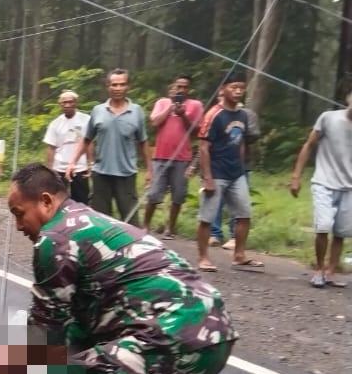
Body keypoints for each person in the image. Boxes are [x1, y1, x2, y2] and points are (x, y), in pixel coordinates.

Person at [5, 163, 236, 374]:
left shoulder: (54, 239)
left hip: (175, 333)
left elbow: (43, 337)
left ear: (45, 202)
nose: (18, 226)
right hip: (213, 333)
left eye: (19, 213)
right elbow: (75, 337)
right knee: (97, 373)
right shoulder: (90, 221)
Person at [195, 75, 262, 271]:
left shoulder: (242, 115)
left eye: (241, 87)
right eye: (234, 87)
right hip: (216, 172)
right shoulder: (214, 115)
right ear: (223, 89)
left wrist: (241, 166)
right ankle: (203, 257)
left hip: (236, 173)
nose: (238, 91)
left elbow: (240, 141)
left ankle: (239, 255)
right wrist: (207, 177)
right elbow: (204, 147)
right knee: (207, 217)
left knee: (244, 214)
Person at [66, 68, 150, 222]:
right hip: (101, 175)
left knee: (131, 221)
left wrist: (150, 170)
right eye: (114, 85)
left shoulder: (137, 111)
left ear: (128, 87)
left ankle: (129, 246)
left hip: (126, 175)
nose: (118, 88)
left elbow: (143, 142)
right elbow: (86, 139)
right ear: (108, 87)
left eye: (122, 84)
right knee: (100, 221)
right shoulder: (98, 111)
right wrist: (72, 162)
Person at [290, 91, 352, 288]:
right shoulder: (328, 118)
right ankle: (318, 269)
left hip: (348, 186)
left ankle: (331, 272)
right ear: (348, 99)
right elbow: (308, 145)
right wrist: (296, 176)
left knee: (341, 232)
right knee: (323, 226)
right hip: (323, 181)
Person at [143, 74, 203, 238]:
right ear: (173, 87)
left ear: (189, 89)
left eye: (185, 87)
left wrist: (183, 114)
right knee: (154, 193)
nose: (181, 90)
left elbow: (197, 131)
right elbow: (154, 122)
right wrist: (170, 107)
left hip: (182, 157)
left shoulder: (195, 105)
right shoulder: (162, 102)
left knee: (178, 195)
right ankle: (145, 226)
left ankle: (171, 228)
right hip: (161, 156)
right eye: (179, 86)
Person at [42, 90, 90, 203]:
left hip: (80, 167)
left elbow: (89, 143)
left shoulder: (86, 120)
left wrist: (90, 163)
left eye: (70, 102)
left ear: (76, 103)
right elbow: (51, 147)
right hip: (60, 168)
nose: (67, 105)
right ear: (60, 104)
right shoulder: (55, 124)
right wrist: (50, 170)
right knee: (58, 201)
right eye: (64, 102)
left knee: (81, 201)